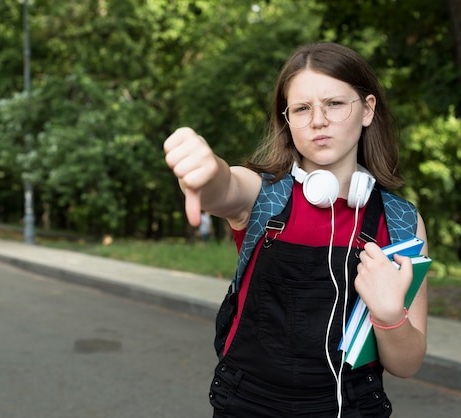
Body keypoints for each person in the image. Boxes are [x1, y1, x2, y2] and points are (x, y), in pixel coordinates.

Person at [164, 42, 428, 417]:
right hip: (247, 405)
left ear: (367, 109)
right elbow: (224, 187)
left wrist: (389, 315)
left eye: (334, 104)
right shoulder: (261, 195)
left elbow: (407, 364)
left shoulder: (402, 223)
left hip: (354, 407)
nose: (318, 120)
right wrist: (206, 172)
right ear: (287, 120)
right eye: (302, 109)